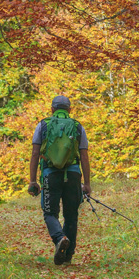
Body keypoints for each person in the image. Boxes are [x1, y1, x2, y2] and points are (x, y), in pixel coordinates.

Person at [27, 95, 91, 265]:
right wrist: (87, 184)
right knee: (71, 215)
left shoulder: (43, 125)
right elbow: (84, 156)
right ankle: (68, 256)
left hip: (50, 174)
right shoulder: (78, 127)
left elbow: (35, 154)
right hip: (73, 175)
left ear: (52, 109)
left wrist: (33, 181)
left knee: (50, 213)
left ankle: (60, 238)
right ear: (69, 110)